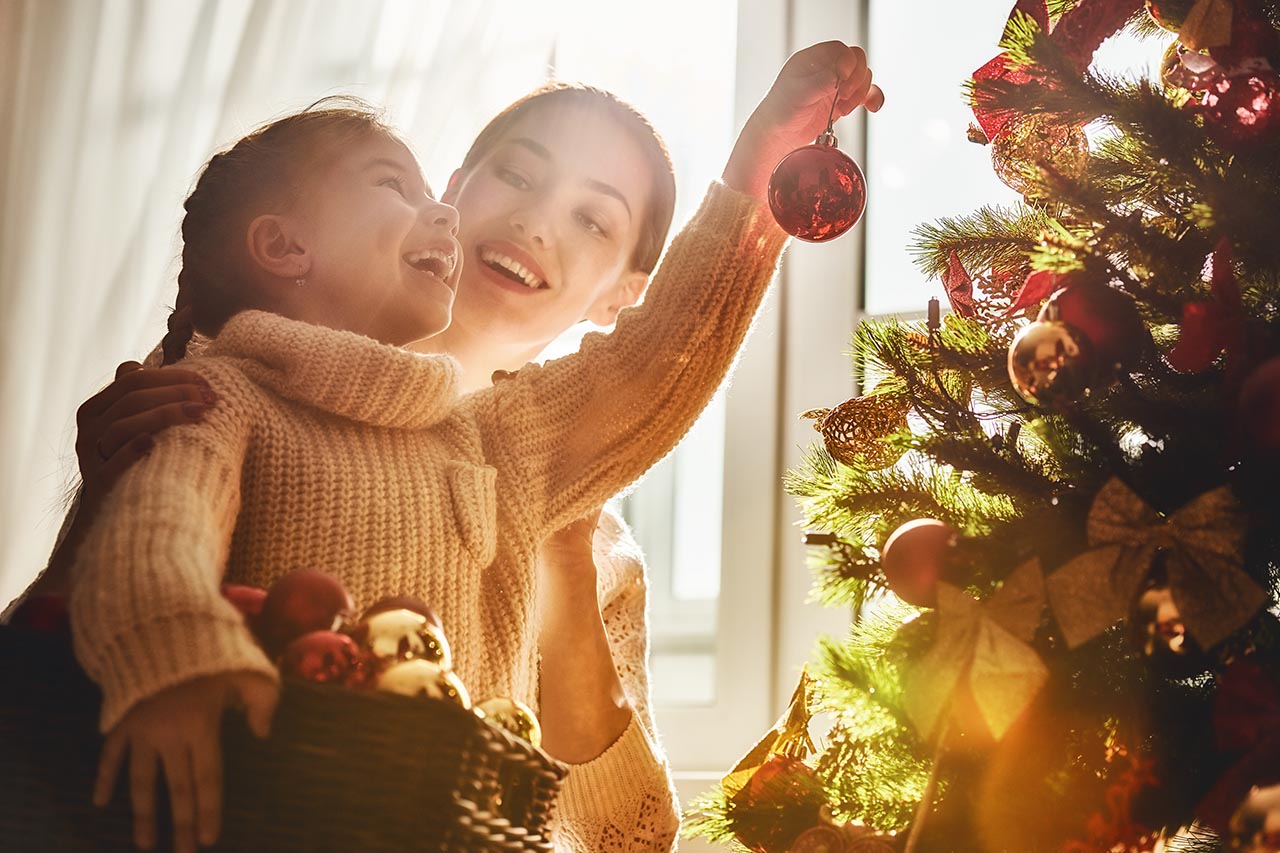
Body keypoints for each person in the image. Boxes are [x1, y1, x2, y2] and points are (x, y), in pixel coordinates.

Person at [18, 41, 882, 853]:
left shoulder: (533, 462)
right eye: (516, 174)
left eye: (591, 219)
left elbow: (632, 837)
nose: (538, 222)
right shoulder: (218, 392)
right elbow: (64, 666)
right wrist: (108, 512)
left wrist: (762, 165)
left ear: (623, 297)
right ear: (454, 192)